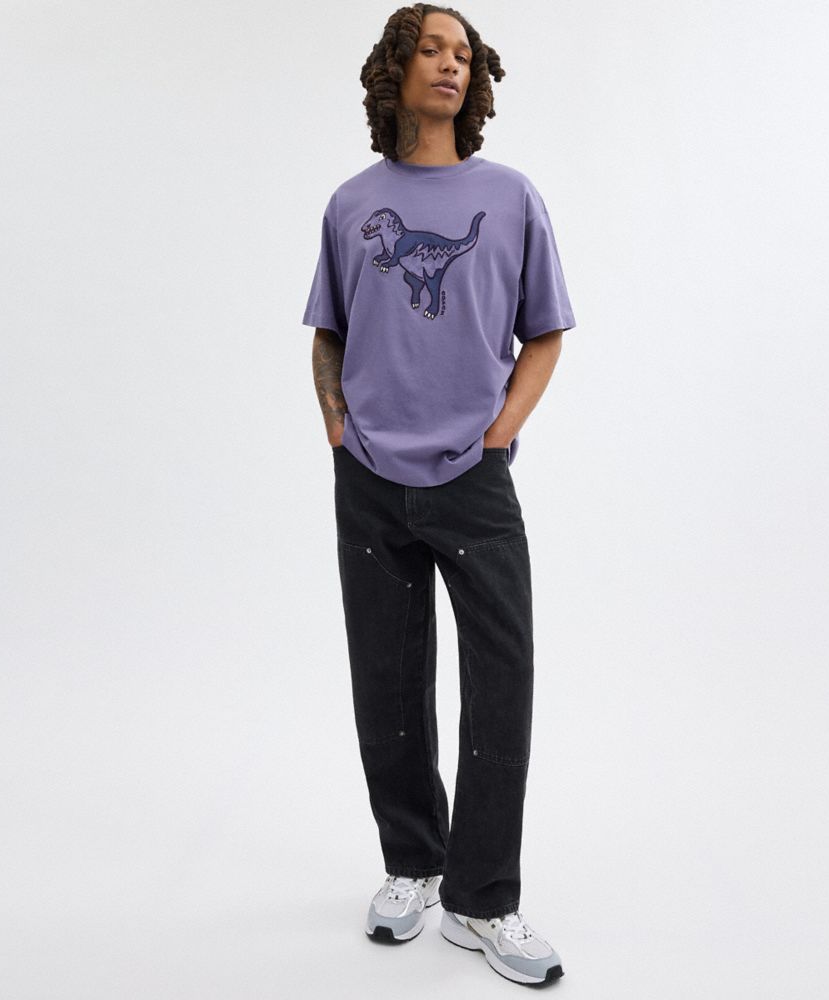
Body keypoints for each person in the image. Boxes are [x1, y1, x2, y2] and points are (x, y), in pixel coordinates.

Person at [302, 3, 576, 986]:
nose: (451, 64)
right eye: (432, 49)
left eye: (464, 53)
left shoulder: (511, 198)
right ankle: (412, 863)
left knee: (502, 681)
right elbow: (327, 331)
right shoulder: (350, 205)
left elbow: (545, 330)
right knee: (387, 678)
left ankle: (481, 899)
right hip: (368, 475)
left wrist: (499, 434)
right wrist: (338, 425)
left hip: (474, 478)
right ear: (397, 67)